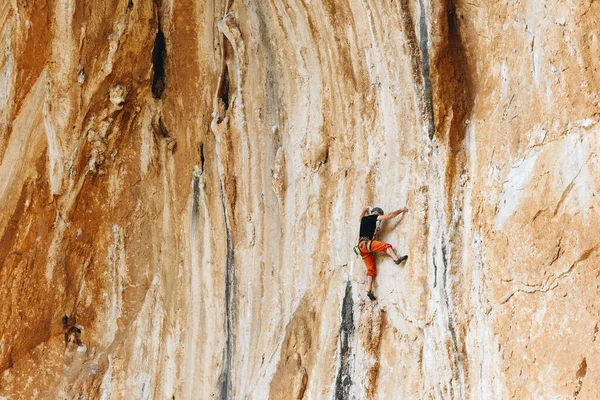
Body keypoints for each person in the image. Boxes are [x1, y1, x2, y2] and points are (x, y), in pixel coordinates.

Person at [357, 206, 408, 301]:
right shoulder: (373, 217)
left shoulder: (364, 219)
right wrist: (400, 210)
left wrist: (364, 210)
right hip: (367, 245)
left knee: (371, 270)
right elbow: (389, 216)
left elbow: (361, 217)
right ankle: (396, 258)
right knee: (386, 246)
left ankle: (369, 290)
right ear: (377, 213)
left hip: (361, 248)